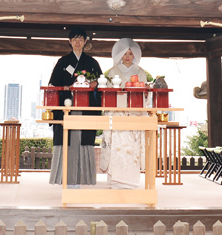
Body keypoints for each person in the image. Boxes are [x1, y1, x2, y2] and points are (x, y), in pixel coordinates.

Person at [48, 27, 102, 186]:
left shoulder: (92, 63)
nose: (78, 42)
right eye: (74, 39)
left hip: (86, 109)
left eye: (81, 39)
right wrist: (66, 87)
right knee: (66, 141)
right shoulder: (63, 62)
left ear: (85, 42)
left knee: (85, 142)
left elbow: (101, 82)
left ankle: (84, 179)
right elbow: (53, 84)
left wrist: (95, 84)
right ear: (69, 42)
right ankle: (64, 179)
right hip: (67, 108)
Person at [101, 38, 149, 189]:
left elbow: (144, 96)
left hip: (135, 114)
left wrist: (146, 93)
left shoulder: (141, 72)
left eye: (130, 53)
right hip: (117, 113)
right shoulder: (113, 71)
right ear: (120, 55)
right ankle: (114, 179)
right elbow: (108, 95)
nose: (128, 57)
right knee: (117, 146)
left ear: (135, 55)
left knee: (132, 148)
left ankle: (131, 180)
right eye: (125, 54)